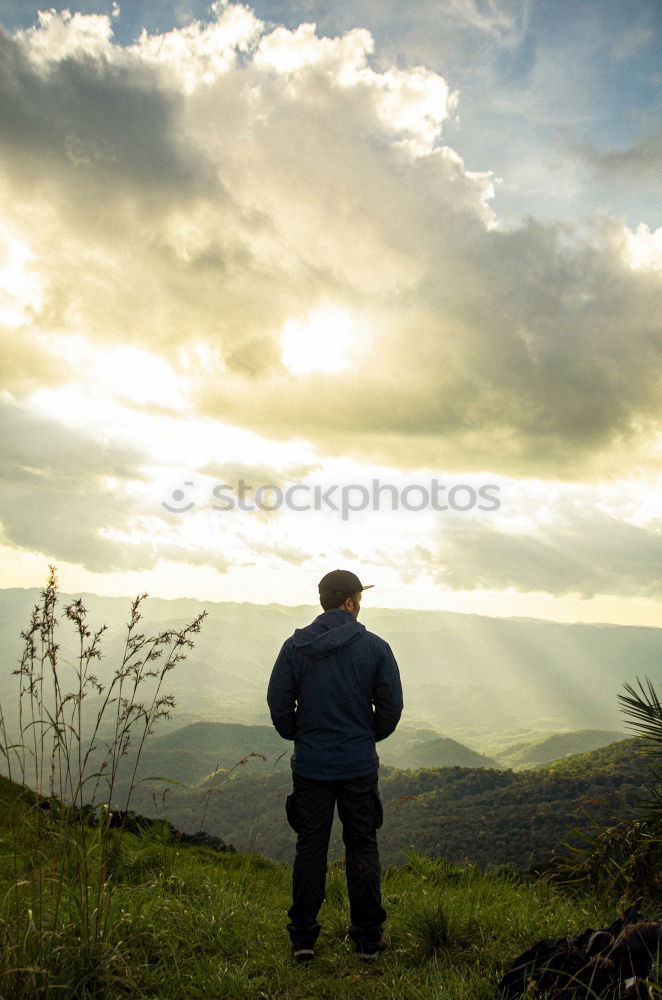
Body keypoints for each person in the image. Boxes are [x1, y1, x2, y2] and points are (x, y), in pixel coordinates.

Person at [267, 569, 403, 962]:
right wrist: (365, 737)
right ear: (348, 602)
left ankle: (304, 939)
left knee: (310, 847)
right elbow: (391, 707)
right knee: (362, 845)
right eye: (359, 597)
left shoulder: (295, 647)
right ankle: (367, 938)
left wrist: (301, 734)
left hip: (311, 765)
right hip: (358, 764)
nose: (360, 604)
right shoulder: (376, 647)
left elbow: (279, 703)